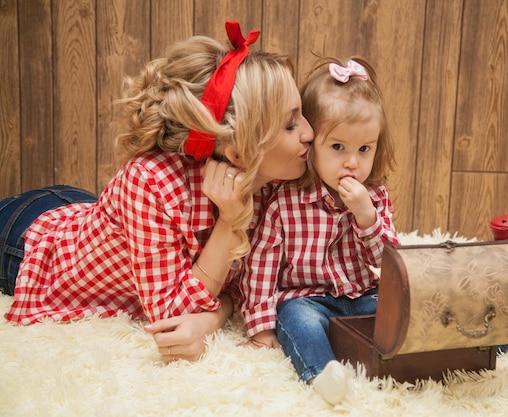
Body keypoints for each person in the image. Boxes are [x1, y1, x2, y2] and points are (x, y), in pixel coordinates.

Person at [0, 21, 314, 363]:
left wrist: (212, 318)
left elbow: (249, 288)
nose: (309, 133)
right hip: (27, 244)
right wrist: (229, 222)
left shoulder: (271, 186)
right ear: (239, 152)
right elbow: (172, 314)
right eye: (290, 124)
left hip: (81, 207)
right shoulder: (149, 182)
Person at [239, 57, 400, 404]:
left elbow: (393, 265)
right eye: (338, 147)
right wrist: (261, 327)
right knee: (299, 321)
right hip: (307, 299)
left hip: (361, 296)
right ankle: (322, 372)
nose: (352, 162)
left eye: (364, 149)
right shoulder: (285, 202)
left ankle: (495, 347)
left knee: (400, 311)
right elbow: (261, 267)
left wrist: (367, 218)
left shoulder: (374, 197)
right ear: (312, 148)